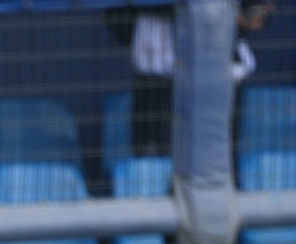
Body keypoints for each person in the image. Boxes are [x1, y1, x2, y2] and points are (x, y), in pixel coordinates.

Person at [117, 1, 273, 156]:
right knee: (154, 135)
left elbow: (247, 60)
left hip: (207, 86)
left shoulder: (228, 34)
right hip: (162, 78)